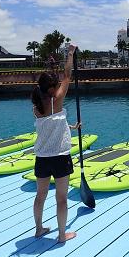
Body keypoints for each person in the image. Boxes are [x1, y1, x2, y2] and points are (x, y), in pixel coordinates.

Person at [31, 43, 79, 243]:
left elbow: (51, 124)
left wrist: (70, 127)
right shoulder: (56, 100)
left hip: (42, 158)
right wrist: (70, 53)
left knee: (40, 196)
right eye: (56, 84)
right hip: (60, 158)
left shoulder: (36, 105)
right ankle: (61, 235)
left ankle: (39, 229)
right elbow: (68, 75)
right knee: (61, 198)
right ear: (51, 88)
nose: (60, 85)